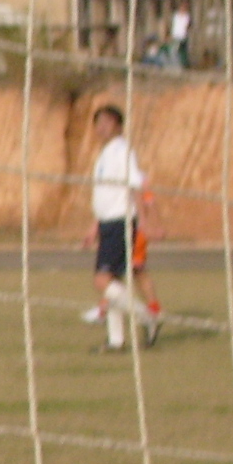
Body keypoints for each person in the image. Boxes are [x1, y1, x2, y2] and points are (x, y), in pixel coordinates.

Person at [82, 104, 159, 353]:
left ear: (118, 125)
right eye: (98, 123)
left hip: (121, 221)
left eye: (106, 122)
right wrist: (95, 226)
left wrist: (144, 221)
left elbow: (135, 184)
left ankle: (147, 316)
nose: (101, 128)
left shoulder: (123, 150)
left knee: (102, 280)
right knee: (113, 280)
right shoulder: (105, 154)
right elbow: (105, 194)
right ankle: (116, 341)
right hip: (107, 222)